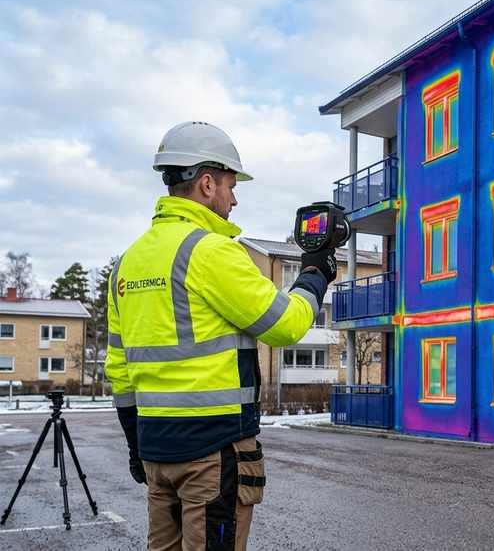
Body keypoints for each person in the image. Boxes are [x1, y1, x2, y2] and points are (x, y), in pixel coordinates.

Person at [105, 121, 339, 551]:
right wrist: (313, 276)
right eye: (231, 186)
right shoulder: (210, 250)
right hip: (212, 453)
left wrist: (136, 445)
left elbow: (118, 368)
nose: (233, 199)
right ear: (207, 183)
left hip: (156, 450)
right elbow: (285, 324)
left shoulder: (129, 261)